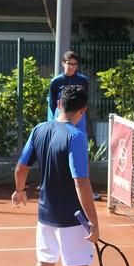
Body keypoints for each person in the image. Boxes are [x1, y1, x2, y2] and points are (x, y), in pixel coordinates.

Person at [12, 84, 108, 266]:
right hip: (71, 217)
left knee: (44, 263)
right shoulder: (76, 137)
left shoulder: (39, 130)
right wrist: (93, 222)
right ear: (83, 110)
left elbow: (21, 168)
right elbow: (81, 181)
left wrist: (20, 192)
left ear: (58, 105)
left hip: (45, 214)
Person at [48, 51, 101, 201]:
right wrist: (56, 122)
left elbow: (84, 101)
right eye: (69, 64)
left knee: (81, 150)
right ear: (63, 64)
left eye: (75, 64)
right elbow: (52, 104)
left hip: (79, 120)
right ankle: (57, 187)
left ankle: (86, 190)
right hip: (61, 119)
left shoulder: (83, 80)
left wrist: (80, 116)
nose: (72, 67)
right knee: (58, 152)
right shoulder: (56, 82)